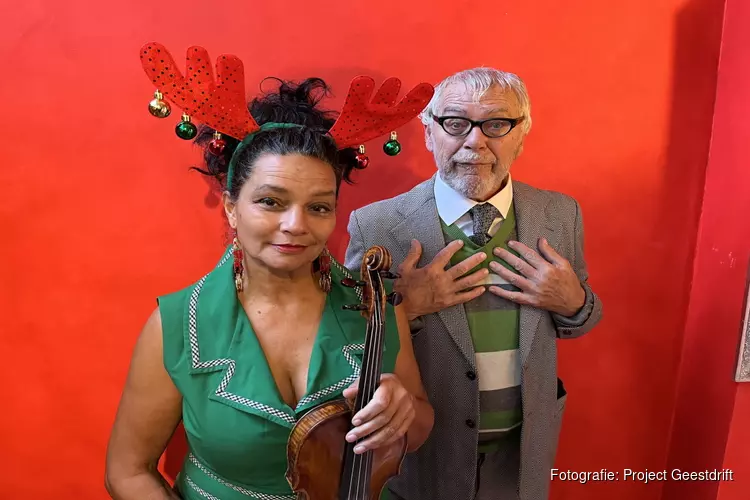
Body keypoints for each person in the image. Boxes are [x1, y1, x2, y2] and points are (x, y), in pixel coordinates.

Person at [105, 42, 435, 500]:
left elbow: (417, 429)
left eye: (318, 206)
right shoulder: (177, 325)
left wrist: (405, 412)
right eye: (271, 201)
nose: (295, 225)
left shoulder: (376, 309)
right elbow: (128, 471)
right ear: (231, 207)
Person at [345, 67, 603, 500]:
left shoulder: (561, 215)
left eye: (497, 124)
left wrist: (573, 301)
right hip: (422, 456)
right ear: (429, 133)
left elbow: (577, 322)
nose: (475, 141)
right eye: (455, 123)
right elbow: (345, 343)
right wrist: (406, 306)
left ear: (521, 133)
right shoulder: (376, 225)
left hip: (520, 456)